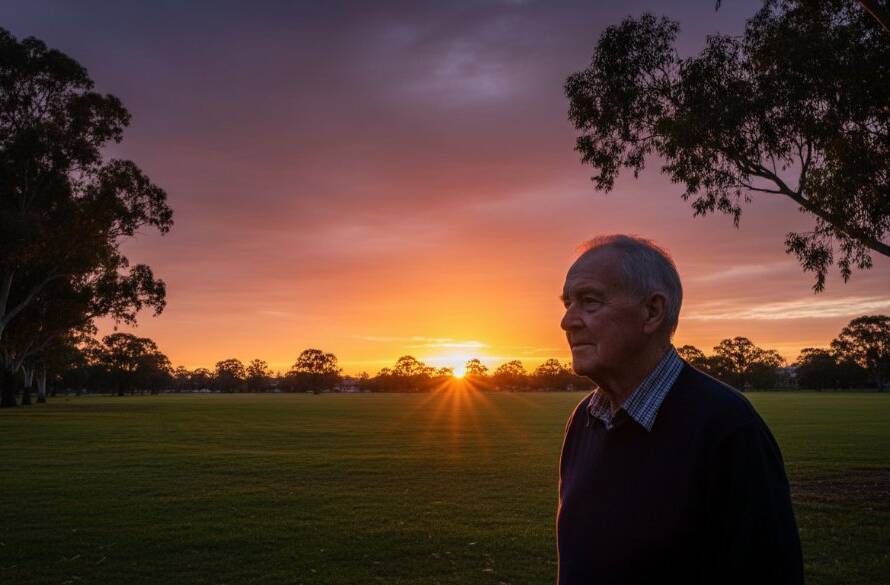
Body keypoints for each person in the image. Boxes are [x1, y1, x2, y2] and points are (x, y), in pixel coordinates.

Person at [556, 234, 803, 585]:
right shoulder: (584, 420)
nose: (568, 321)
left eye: (589, 301)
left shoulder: (728, 428)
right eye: (567, 303)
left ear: (652, 311)